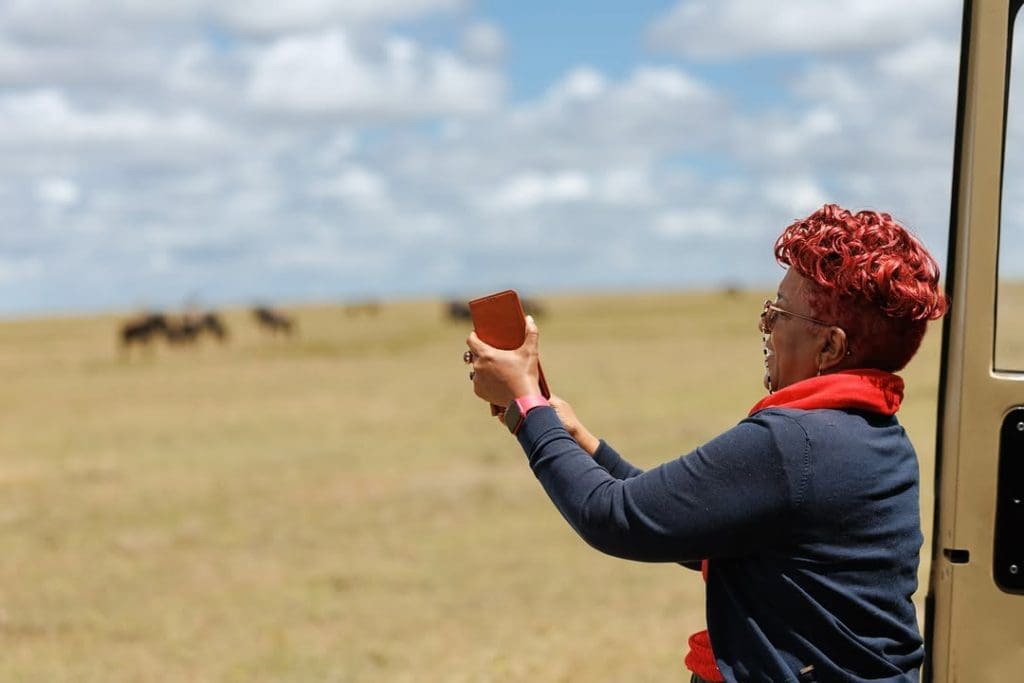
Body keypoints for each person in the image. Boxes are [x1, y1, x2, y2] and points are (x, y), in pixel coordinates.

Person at [464, 204, 948, 682]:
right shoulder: (872, 433)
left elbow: (617, 517)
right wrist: (575, 437)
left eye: (778, 312)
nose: (766, 325)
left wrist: (528, 405)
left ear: (831, 347)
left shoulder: (793, 442)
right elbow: (686, 522)